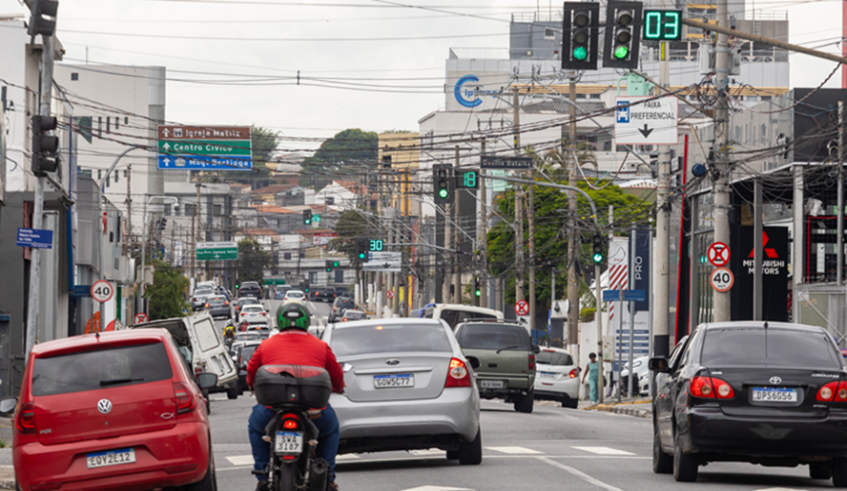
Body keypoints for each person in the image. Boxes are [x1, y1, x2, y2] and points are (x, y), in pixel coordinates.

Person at [246, 303, 345, 491]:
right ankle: (327, 476)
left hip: (271, 411)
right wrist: (339, 388)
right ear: (306, 321)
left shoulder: (266, 344)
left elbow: (252, 371)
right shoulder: (321, 346)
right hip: (314, 413)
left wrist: (252, 386)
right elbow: (336, 376)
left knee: (255, 426)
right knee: (331, 430)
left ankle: (262, 474)